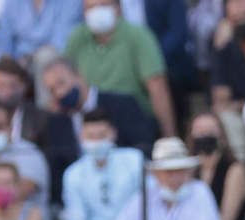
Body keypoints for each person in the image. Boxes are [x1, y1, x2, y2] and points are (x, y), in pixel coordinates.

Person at [65, 0, 176, 136]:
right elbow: (64, 79)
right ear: (83, 12)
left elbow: (158, 88)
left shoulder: (139, 36)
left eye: (104, 5)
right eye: (91, 7)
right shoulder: (77, 38)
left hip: (133, 120)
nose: (97, 11)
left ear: (118, 8)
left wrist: (170, 137)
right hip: (91, 124)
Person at [113, 135, 224, 220]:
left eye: (179, 170)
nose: (175, 178)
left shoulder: (200, 192)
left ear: (188, 172)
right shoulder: (145, 196)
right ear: (156, 175)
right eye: (168, 172)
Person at [59, 108, 144, 220]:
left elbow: (148, 205)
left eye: (102, 135)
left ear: (113, 134)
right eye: (91, 136)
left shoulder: (134, 160)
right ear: (81, 137)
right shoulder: (73, 174)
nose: (97, 141)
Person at [189, 110, 245, 220]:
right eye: (200, 132)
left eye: (210, 131)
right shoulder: (190, 171)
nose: (205, 135)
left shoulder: (234, 170)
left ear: (221, 135)